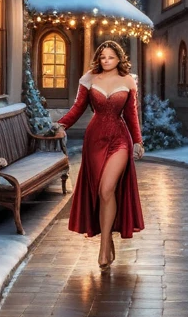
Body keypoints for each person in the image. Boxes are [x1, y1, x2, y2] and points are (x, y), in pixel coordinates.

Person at [54, 40, 145, 270]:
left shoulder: (127, 81)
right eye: (103, 57)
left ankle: (105, 246)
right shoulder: (89, 79)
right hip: (94, 140)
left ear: (119, 59)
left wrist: (137, 141)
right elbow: (78, 107)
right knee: (101, 193)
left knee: (107, 188)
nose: (106, 61)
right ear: (99, 58)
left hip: (119, 140)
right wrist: (62, 124)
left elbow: (132, 115)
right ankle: (107, 240)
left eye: (111, 57)